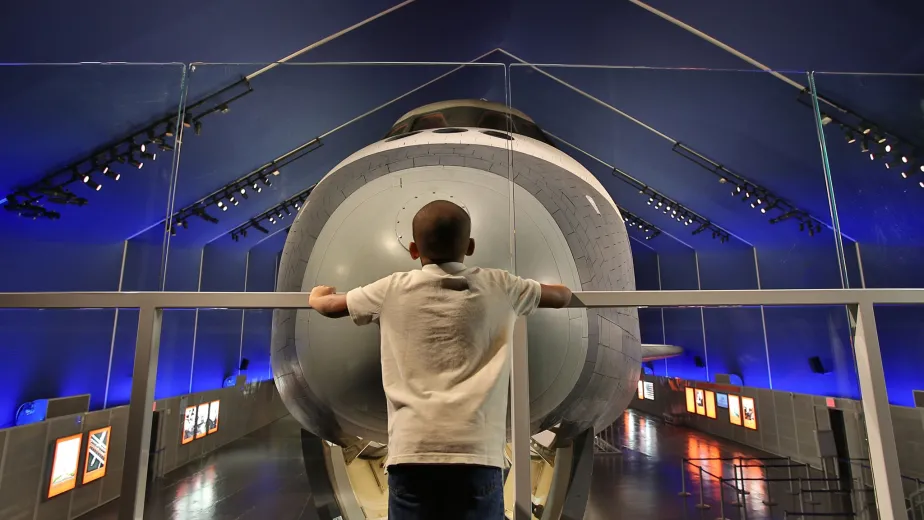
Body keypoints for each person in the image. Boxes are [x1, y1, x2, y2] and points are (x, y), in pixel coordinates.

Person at [308, 200, 572, 520]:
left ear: (413, 250)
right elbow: (561, 295)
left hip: (411, 455)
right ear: (470, 246)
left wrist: (316, 297)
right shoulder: (502, 285)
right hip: (478, 457)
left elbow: (332, 307)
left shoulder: (391, 288)